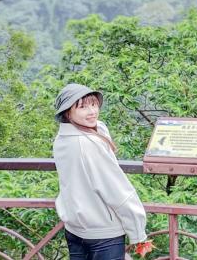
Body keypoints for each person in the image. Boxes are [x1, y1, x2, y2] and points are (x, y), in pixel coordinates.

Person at [53, 83, 153, 259]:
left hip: (75, 227)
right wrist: (138, 232)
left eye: (93, 104)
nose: (92, 111)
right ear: (67, 113)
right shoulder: (88, 145)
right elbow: (116, 190)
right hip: (103, 233)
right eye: (82, 107)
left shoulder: (62, 140)